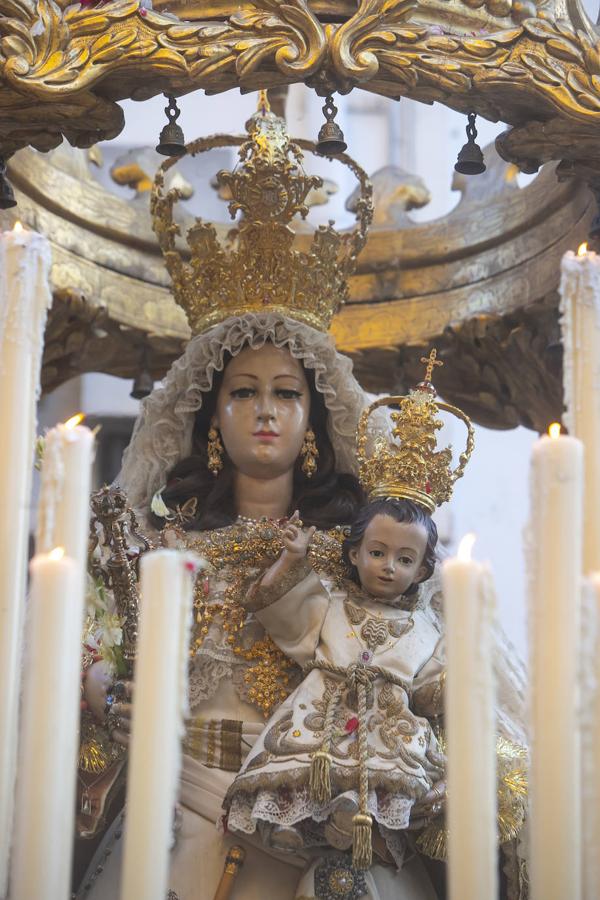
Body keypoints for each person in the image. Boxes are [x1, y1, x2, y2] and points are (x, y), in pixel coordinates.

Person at [75, 98, 528, 900]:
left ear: (313, 417)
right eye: (243, 392)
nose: (266, 412)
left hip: (324, 817)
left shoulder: (363, 556)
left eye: (286, 393)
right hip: (179, 819)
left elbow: (428, 672)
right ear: (211, 416)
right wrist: (107, 697)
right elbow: (96, 672)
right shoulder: (160, 550)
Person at [224, 497, 447, 875]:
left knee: (396, 762)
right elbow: (286, 611)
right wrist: (292, 559)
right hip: (322, 704)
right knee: (298, 751)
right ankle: (290, 819)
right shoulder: (332, 604)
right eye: (377, 552)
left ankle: (360, 824)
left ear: (422, 571)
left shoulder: (426, 629)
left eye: (405, 560)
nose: (389, 566)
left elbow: (430, 689)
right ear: (355, 554)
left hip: (386, 718)